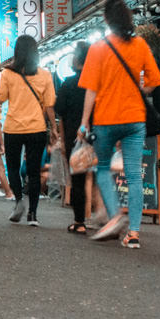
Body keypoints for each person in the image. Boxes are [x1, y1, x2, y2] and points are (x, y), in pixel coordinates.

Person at [78, 0, 160, 250]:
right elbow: (154, 81)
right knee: (135, 175)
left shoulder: (98, 49)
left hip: (106, 119)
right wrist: (138, 91)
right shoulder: (140, 45)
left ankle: (115, 216)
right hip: (135, 119)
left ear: (106, 20)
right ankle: (134, 233)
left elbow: (91, 91)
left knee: (102, 168)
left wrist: (84, 123)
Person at [0, 35, 57, 226]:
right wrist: (54, 128)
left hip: (13, 127)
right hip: (37, 128)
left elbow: (1, 97)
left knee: (13, 168)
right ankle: (33, 214)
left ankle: (18, 201)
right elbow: (49, 105)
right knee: (33, 172)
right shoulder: (45, 74)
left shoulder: (7, 73)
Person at [54, 41, 95, 235]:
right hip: (100, 134)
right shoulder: (98, 83)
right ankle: (107, 218)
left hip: (74, 137)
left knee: (78, 180)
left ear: (76, 60)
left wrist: (62, 138)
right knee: (102, 176)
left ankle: (79, 222)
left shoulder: (68, 84)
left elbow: (60, 113)